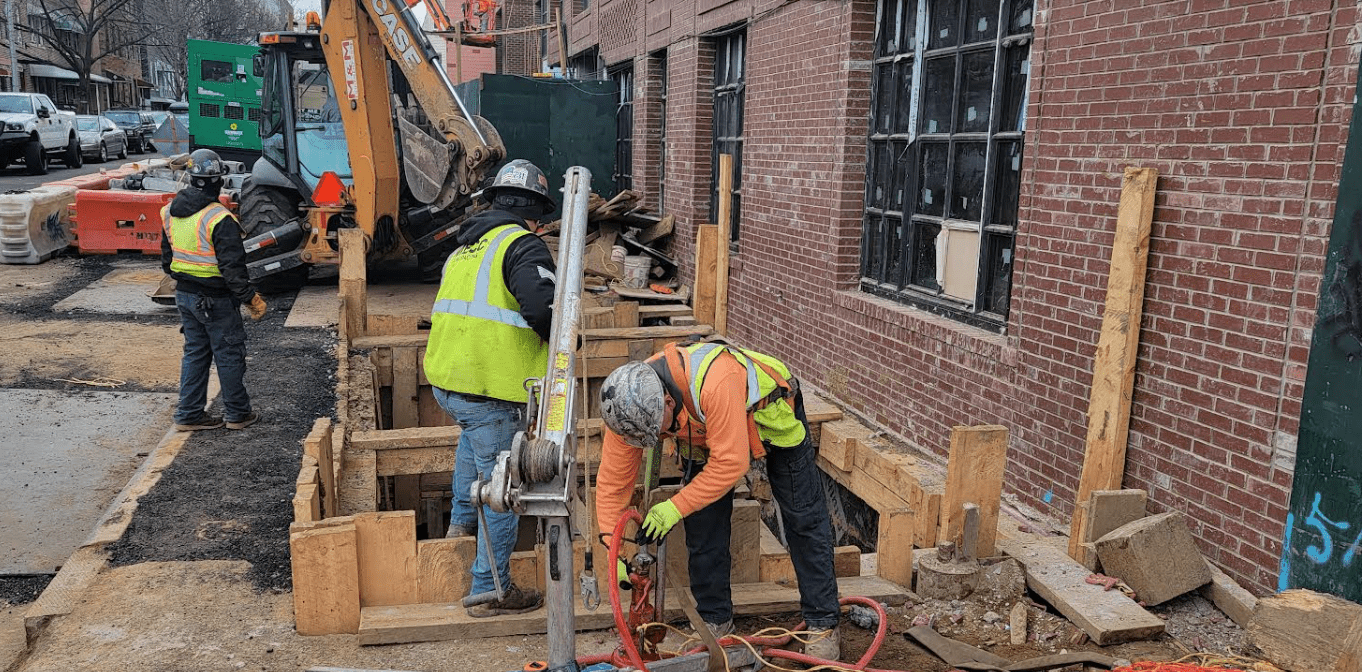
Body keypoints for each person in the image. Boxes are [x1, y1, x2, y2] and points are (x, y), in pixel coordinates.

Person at [596, 342, 843, 661]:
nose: (655, 442)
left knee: (804, 522)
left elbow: (732, 463)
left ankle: (823, 623)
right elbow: (612, 485)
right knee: (704, 531)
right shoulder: (627, 407)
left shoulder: (715, 381)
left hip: (770, 417)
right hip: (703, 431)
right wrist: (613, 553)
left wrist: (674, 507)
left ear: (668, 401)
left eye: (658, 434)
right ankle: (715, 621)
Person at [423, 159, 558, 617]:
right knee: (503, 484)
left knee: (472, 448)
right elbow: (543, 310)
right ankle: (490, 589)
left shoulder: (466, 246)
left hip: (450, 381)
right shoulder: (524, 246)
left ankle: (460, 529)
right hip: (490, 385)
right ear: (535, 212)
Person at [160, 148, 266, 432]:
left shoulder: (169, 212)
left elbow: (167, 262)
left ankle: (189, 415)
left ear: (191, 178)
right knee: (229, 354)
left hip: (184, 296)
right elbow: (233, 270)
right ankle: (237, 414)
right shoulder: (219, 219)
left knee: (195, 353)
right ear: (218, 181)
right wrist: (249, 298)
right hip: (216, 300)